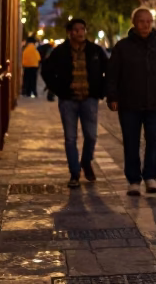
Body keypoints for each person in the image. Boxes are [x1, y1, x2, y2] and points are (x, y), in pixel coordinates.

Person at [107, 7, 156, 196]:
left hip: (155, 104)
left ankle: (150, 177)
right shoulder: (122, 47)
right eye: (141, 21)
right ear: (134, 23)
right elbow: (113, 74)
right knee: (131, 142)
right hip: (129, 104)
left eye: (149, 21)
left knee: (155, 141)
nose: (146, 25)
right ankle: (133, 180)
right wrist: (113, 97)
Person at [41, 18, 108, 188]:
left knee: (91, 135)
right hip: (68, 101)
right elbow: (46, 71)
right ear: (70, 32)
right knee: (70, 138)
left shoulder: (95, 51)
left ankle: (86, 162)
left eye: (82, 29)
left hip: (89, 100)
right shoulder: (60, 52)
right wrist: (58, 89)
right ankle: (74, 172)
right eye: (76, 30)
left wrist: (102, 91)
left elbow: (109, 70)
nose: (80, 32)